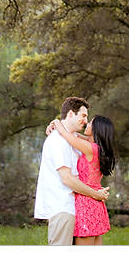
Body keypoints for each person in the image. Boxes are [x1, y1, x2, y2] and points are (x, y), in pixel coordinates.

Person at [34, 96, 110, 245]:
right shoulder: (59, 140)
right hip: (62, 206)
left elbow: (75, 138)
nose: (85, 121)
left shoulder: (76, 141)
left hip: (77, 206)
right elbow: (67, 178)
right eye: (83, 115)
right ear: (70, 114)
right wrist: (96, 194)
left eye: (87, 118)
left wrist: (57, 123)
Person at [48, 114, 116, 245]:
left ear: (97, 129)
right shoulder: (97, 148)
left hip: (85, 204)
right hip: (96, 204)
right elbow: (76, 136)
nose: (87, 124)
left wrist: (56, 121)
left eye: (90, 123)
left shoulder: (90, 148)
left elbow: (66, 135)